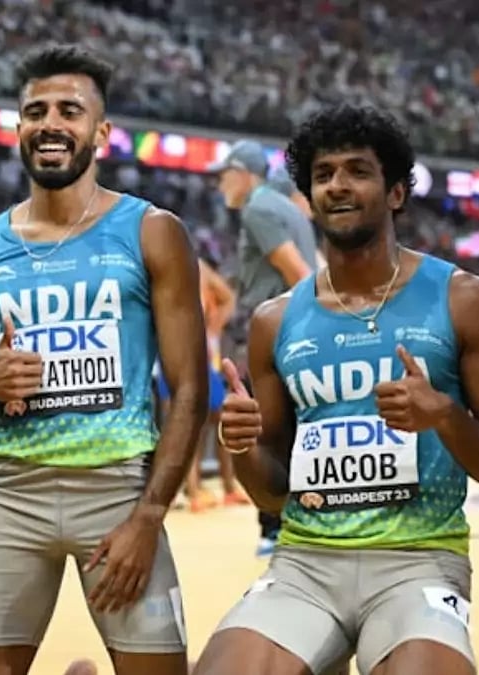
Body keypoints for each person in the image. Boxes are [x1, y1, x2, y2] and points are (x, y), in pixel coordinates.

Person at [196, 104, 479, 675]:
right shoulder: (276, 321)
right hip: (305, 564)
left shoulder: (464, 300)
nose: (337, 186)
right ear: (308, 195)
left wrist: (445, 416)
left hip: (419, 562)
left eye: (357, 170)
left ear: (396, 192)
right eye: (323, 175)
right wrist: (242, 443)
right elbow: (274, 491)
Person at [0, 44, 207, 675]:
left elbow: (189, 388)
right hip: (11, 494)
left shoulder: (151, 231)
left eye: (70, 111)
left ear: (100, 133)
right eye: (36, 110)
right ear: (18, 127)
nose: (51, 123)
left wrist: (150, 516)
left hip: (118, 492)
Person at [211, 140, 318, 555]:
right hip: (294, 328)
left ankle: (274, 528)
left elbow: (297, 271)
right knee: (288, 427)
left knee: (268, 428)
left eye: (225, 173)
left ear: (244, 172)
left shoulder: (259, 208)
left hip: (276, 331)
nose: (221, 182)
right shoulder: (290, 207)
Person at [155, 257, 249, 512]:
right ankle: (193, 489)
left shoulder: (194, 267)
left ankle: (220, 487)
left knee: (215, 421)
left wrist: (214, 327)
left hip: (201, 355)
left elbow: (228, 297)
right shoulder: (169, 269)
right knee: (187, 422)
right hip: (180, 355)